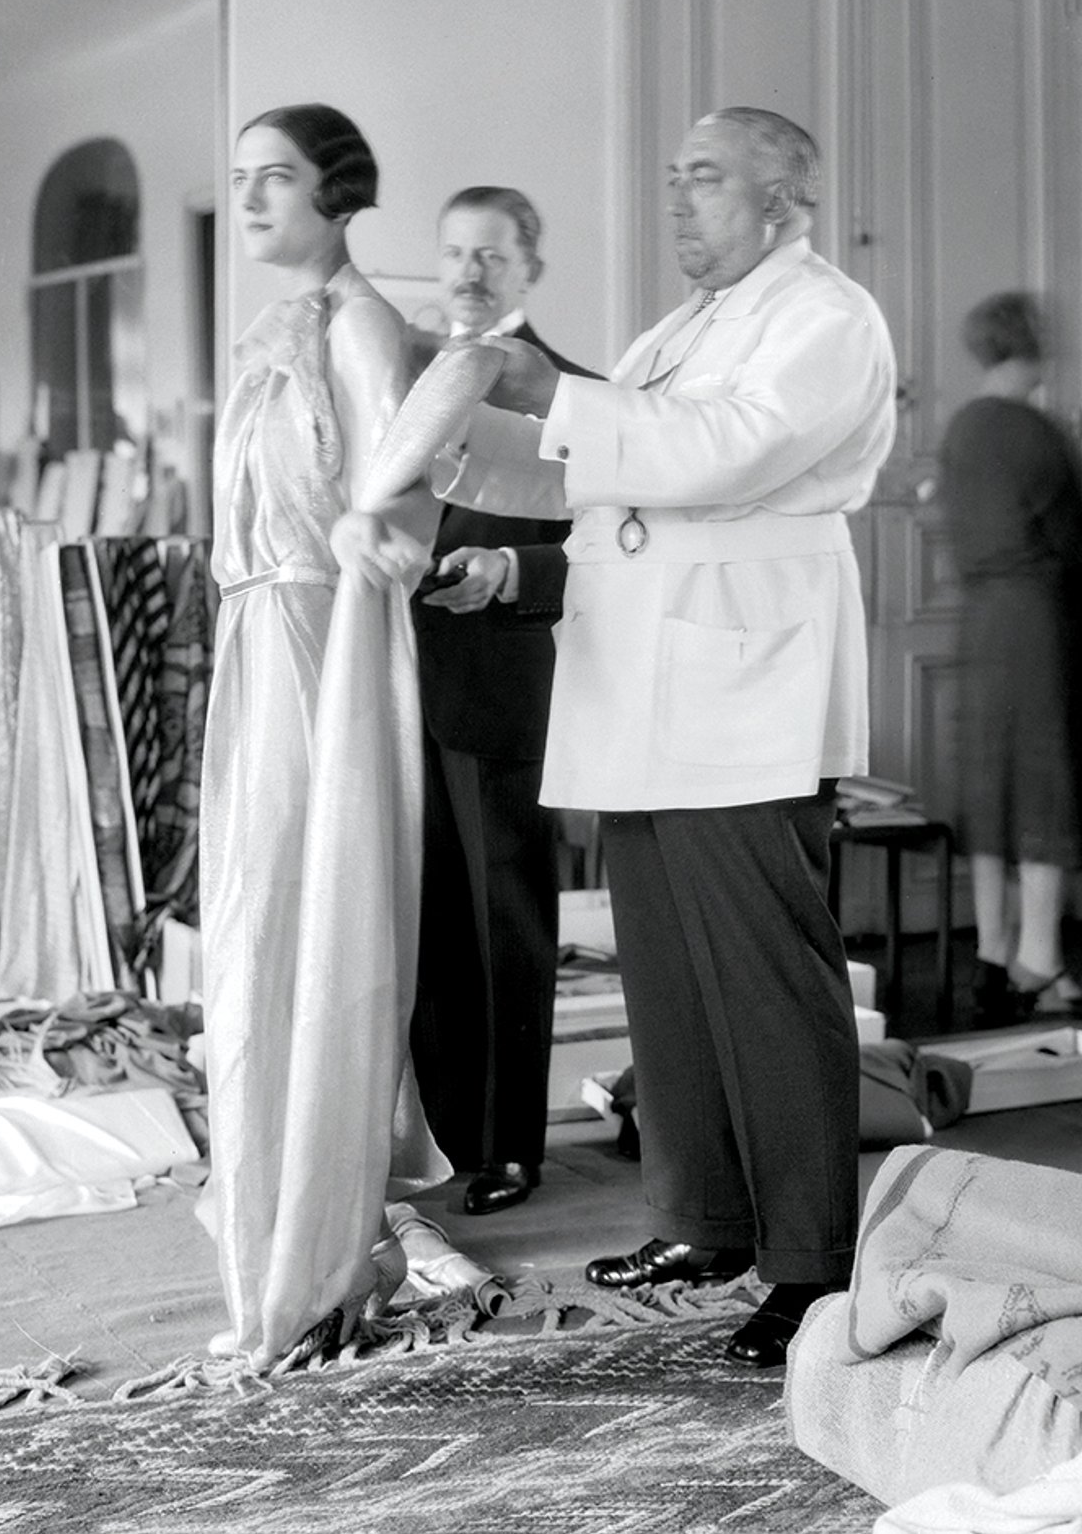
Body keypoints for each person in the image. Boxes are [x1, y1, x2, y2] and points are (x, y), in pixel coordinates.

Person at [428, 107, 897, 1367]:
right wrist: (512, 565)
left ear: (786, 195)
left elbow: (725, 454)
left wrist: (557, 391)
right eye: (676, 180)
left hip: (739, 685)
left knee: (762, 978)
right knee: (670, 984)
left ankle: (813, 1259)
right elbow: (611, 490)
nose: (678, 201)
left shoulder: (826, 316)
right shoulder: (681, 326)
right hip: (644, 684)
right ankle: (706, 1218)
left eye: (707, 180)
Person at [198, 103, 452, 1369]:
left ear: (338, 193)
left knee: (306, 924)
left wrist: (374, 541)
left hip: (318, 643)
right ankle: (285, 1237)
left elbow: (392, 503)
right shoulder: (269, 331)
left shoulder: (359, 323)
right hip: (258, 642)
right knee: (256, 931)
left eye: (275, 179)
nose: (249, 201)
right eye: (239, 180)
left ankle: (318, 1254)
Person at [410, 187, 597, 1215]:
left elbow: (609, 555)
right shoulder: (403, 382)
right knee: (421, 915)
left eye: (492, 255)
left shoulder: (579, 397)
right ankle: (433, 1135)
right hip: (388, 688)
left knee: (502, 918)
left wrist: (512, 565)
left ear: (530, 268)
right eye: (453, 253)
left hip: (497, 685)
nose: (470, 273)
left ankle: (507, 1145)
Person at [938, 292, 1082, 1028]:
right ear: (1031, 347)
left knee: (989, 779)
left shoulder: (962, 428)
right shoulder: (1040, 432)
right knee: (1041, 779)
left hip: (980, 621)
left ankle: (993, 951)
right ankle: (1040, 951)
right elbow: (1073, 540)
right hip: (1037, 618)